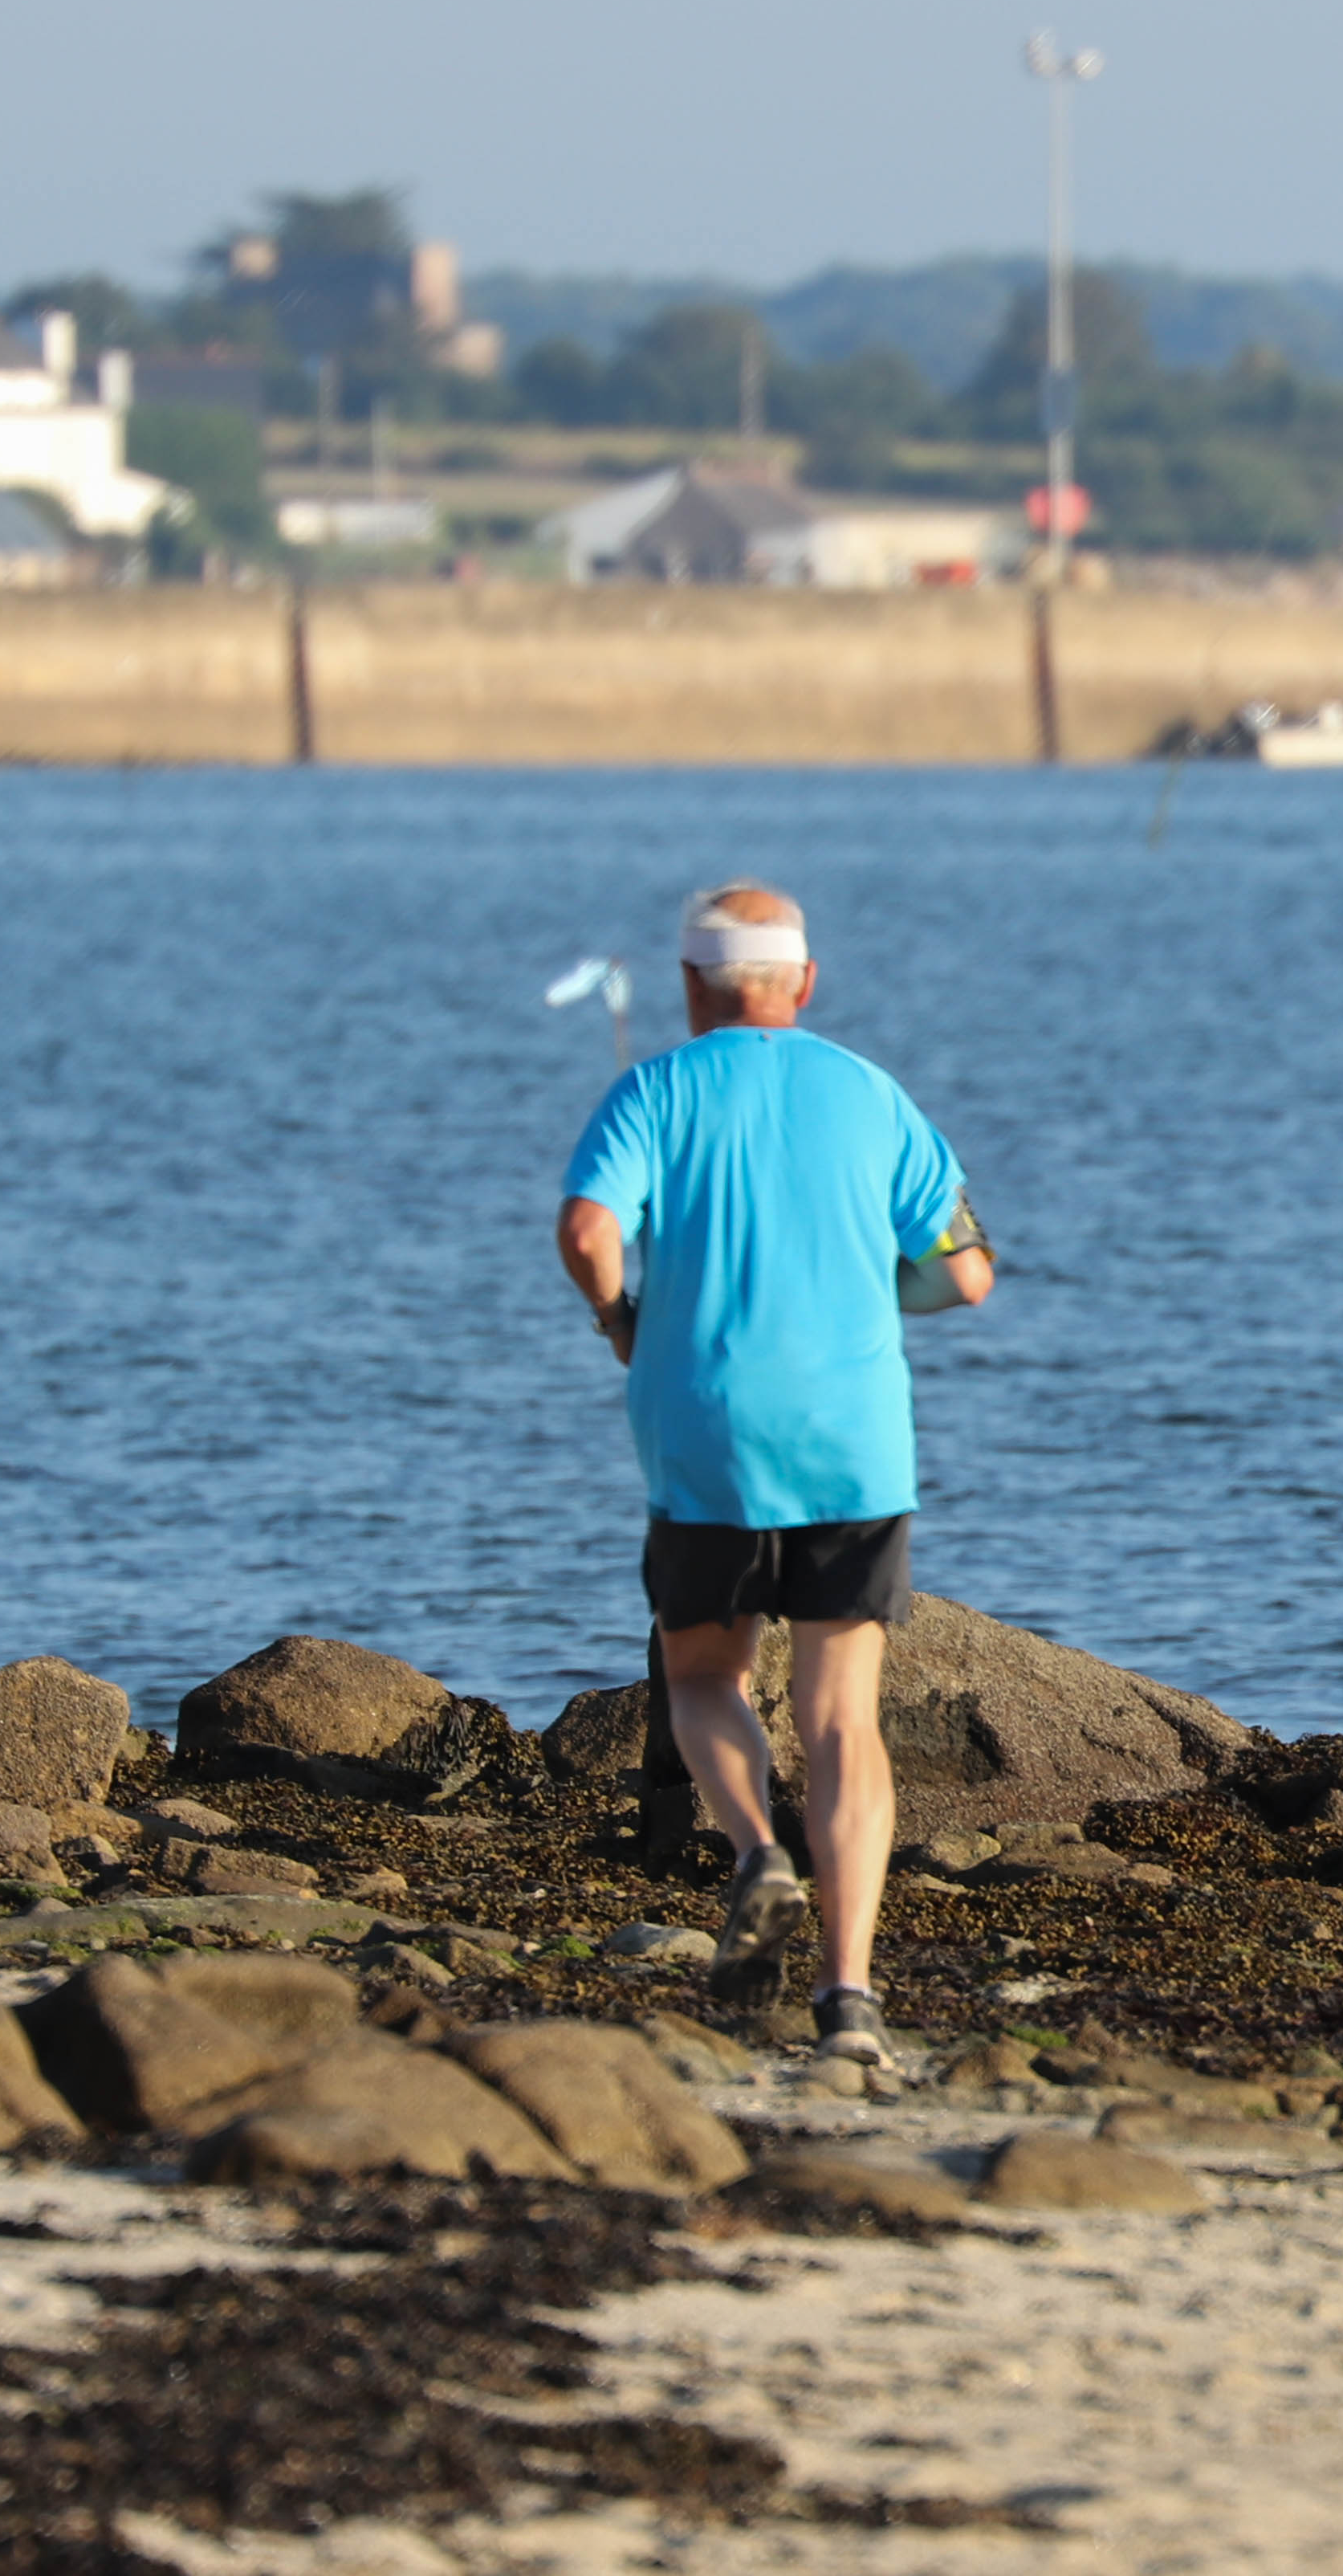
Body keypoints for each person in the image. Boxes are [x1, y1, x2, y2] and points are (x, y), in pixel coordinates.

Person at [557, 882, 991, 2065]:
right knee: (842, 1715)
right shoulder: (870, 1093)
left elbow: (590, 1232)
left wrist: (618, 1319)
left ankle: (756, 1850)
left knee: (704, 1677)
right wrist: (872, 1287)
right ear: (802, 981)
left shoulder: (652, 1090)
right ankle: (848, 1997)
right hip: (854, 1441)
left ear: (690, 984)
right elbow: (964, 1274)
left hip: (704, 1436)